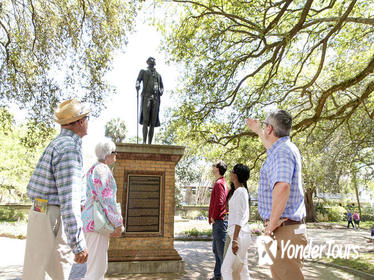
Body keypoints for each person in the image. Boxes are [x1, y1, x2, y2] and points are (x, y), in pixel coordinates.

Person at [23, 99, 89, 280]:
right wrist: (78, 244)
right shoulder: (68, 149)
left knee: (36, 273)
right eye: (87, 118)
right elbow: (70, 200)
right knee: (54, 274)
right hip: (52, 216)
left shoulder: (59, 144)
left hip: (42, 212)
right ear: (80, 122)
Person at [246, 109, 307, 280]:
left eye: (265, 125)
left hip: (283, 231)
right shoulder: (283, 148)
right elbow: (270, 145)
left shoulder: (282, 152)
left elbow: (282, 187)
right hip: (285, 229)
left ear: (270, 129)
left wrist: (270, 226)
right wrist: (258, 129)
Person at [82, 139, 124, 279]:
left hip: (91, 221)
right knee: (96, 269)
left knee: (96, 266)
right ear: (107, 154)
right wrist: (118, 223)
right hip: (97, 223)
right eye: (114, 152)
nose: (115, 155)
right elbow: (108, 200)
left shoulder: (93, 169)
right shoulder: (102, 170)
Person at [221, 164, 252, 280]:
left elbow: (239, 218)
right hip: (241, 235)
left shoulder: (240, 192)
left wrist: (234, 240)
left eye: (232, 171)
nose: (230, 173)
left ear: (236, 175)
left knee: (225, 269)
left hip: (240, 236)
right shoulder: (239, 191)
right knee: (243, 271)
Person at [136, 56, 164, 144]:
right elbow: (138, 80)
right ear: (147, 62)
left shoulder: (158, 75)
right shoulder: (143, 72)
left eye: (154, 59)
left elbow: (162, 87)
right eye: (151, 59)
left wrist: (161, 91)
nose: (153, 60)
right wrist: (137, 85)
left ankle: (149, 143)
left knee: (153, 121)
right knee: (145, 119)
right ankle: (144, 141)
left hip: (156, 98)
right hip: (146, 97)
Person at [208, 160, 229, 280]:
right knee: (216, 250)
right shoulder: (220, 182)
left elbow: (220, 202)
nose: (212, 167)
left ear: (218, 169)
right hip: (218, 221)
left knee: (221, 252)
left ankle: (226, 276)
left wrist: (214, 217)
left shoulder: (219, 183)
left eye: (214, 165)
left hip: (219, 221)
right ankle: (218, 275)